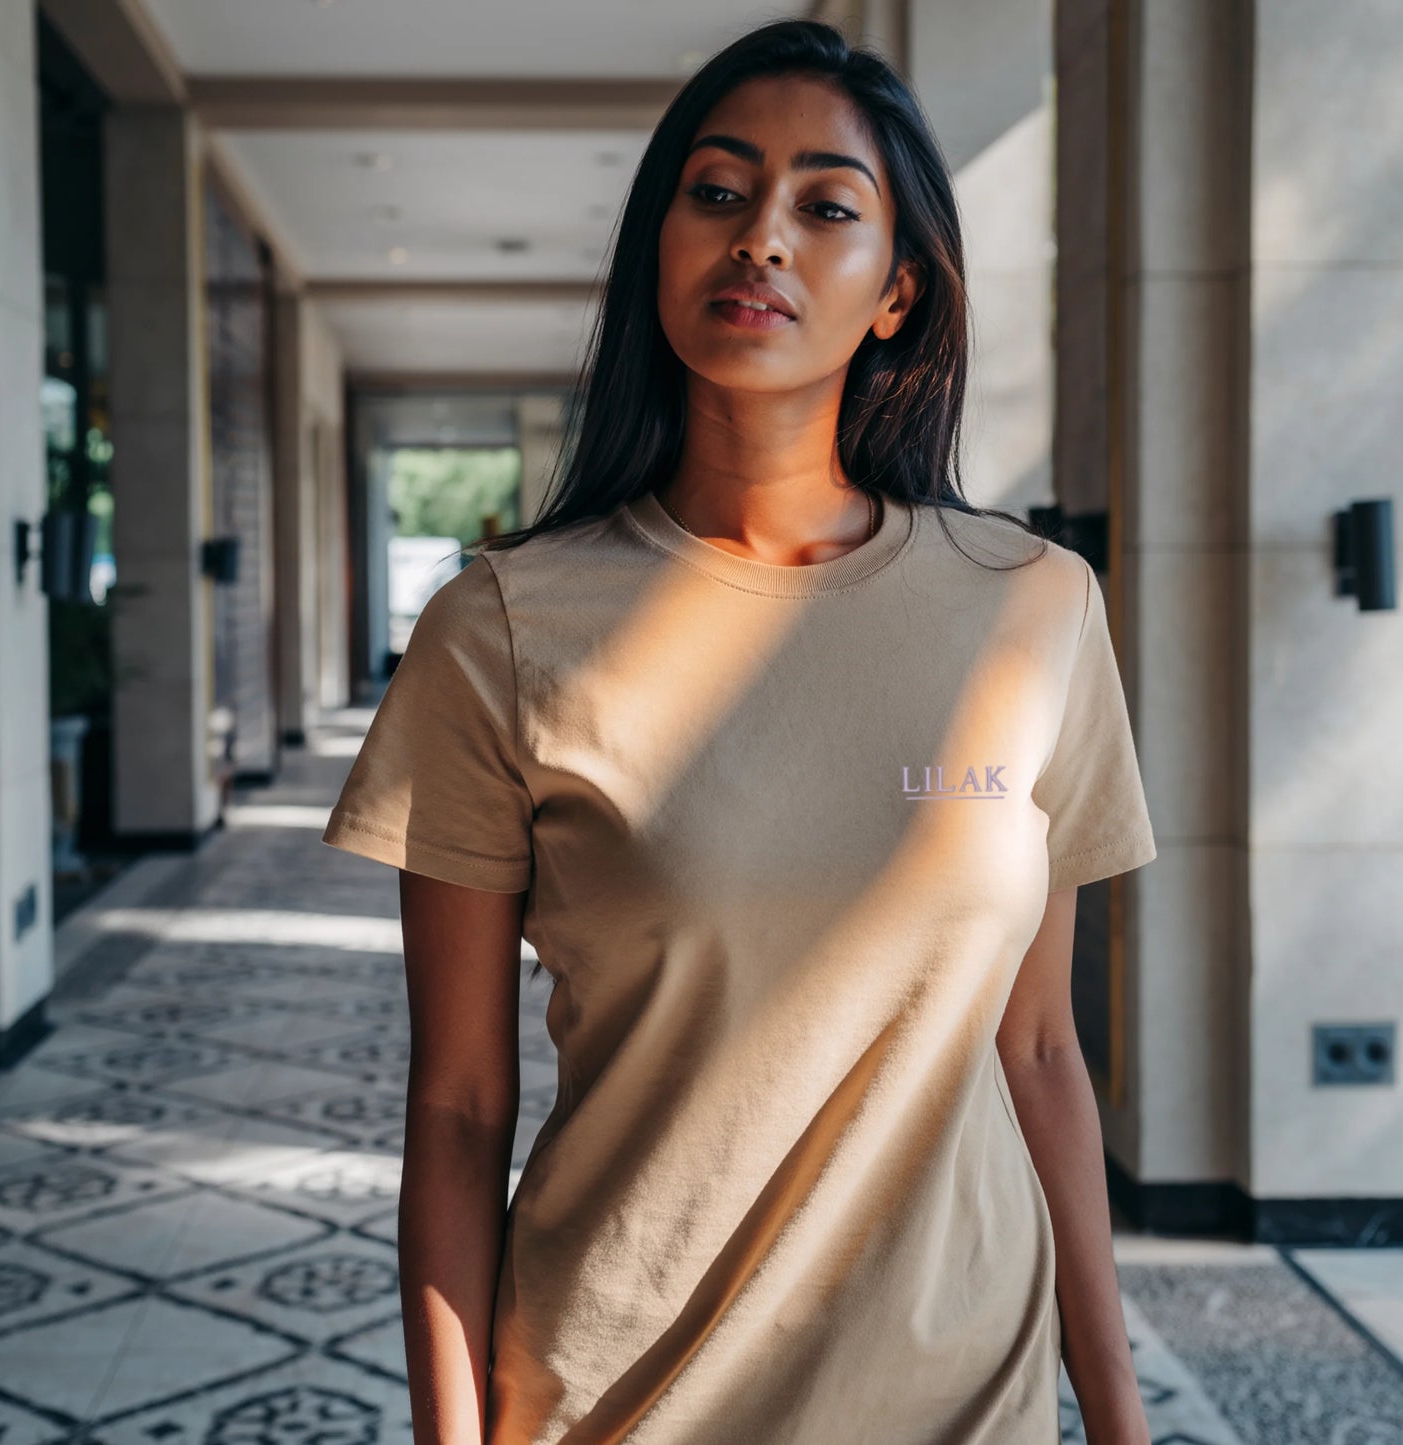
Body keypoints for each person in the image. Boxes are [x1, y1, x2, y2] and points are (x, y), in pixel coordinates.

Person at [321, 18, 1157, 1445]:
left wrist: (1123, 1419)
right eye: (716, 193)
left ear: (895, 291)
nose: (758, 237)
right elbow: (459, 1105)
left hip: (962, 1401)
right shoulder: (502, 628)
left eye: (823, 206)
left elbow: (1035, 1054)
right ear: (660, 249)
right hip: (617, 1402)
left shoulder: (1033, 608)